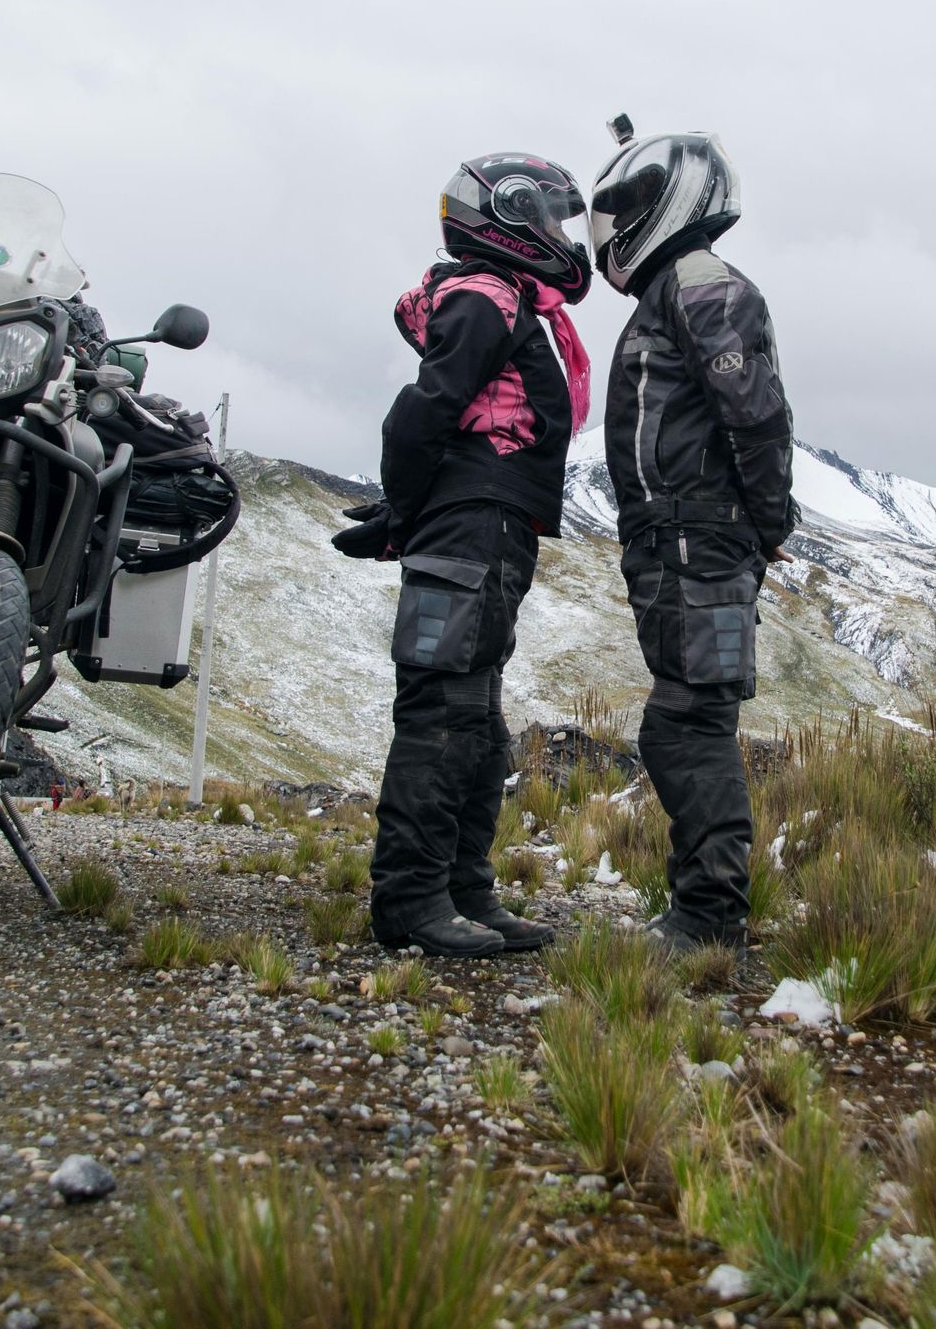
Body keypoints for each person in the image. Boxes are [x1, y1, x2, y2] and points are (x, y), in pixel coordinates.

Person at [334, 154, 593, 958]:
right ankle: (410, 901)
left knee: (477, 721)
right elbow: (424, 411)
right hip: (468, 521)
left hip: (494, 522)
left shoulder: (507, 298)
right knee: (443, 713)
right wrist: (405, 512)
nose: (559, 233)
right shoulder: (485, 295)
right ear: (505, 215)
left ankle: (465, 891)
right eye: (546, 215)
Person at [590, 117, 798, 956]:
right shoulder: (681, 284)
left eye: (632, 203)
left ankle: (710, 917)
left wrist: (764, 522)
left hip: (696, 541)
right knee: (688, 721)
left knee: (686, 725)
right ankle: (705, 908)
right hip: (681, 541)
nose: (617, 227)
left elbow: (754, 412)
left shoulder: (701, 280)